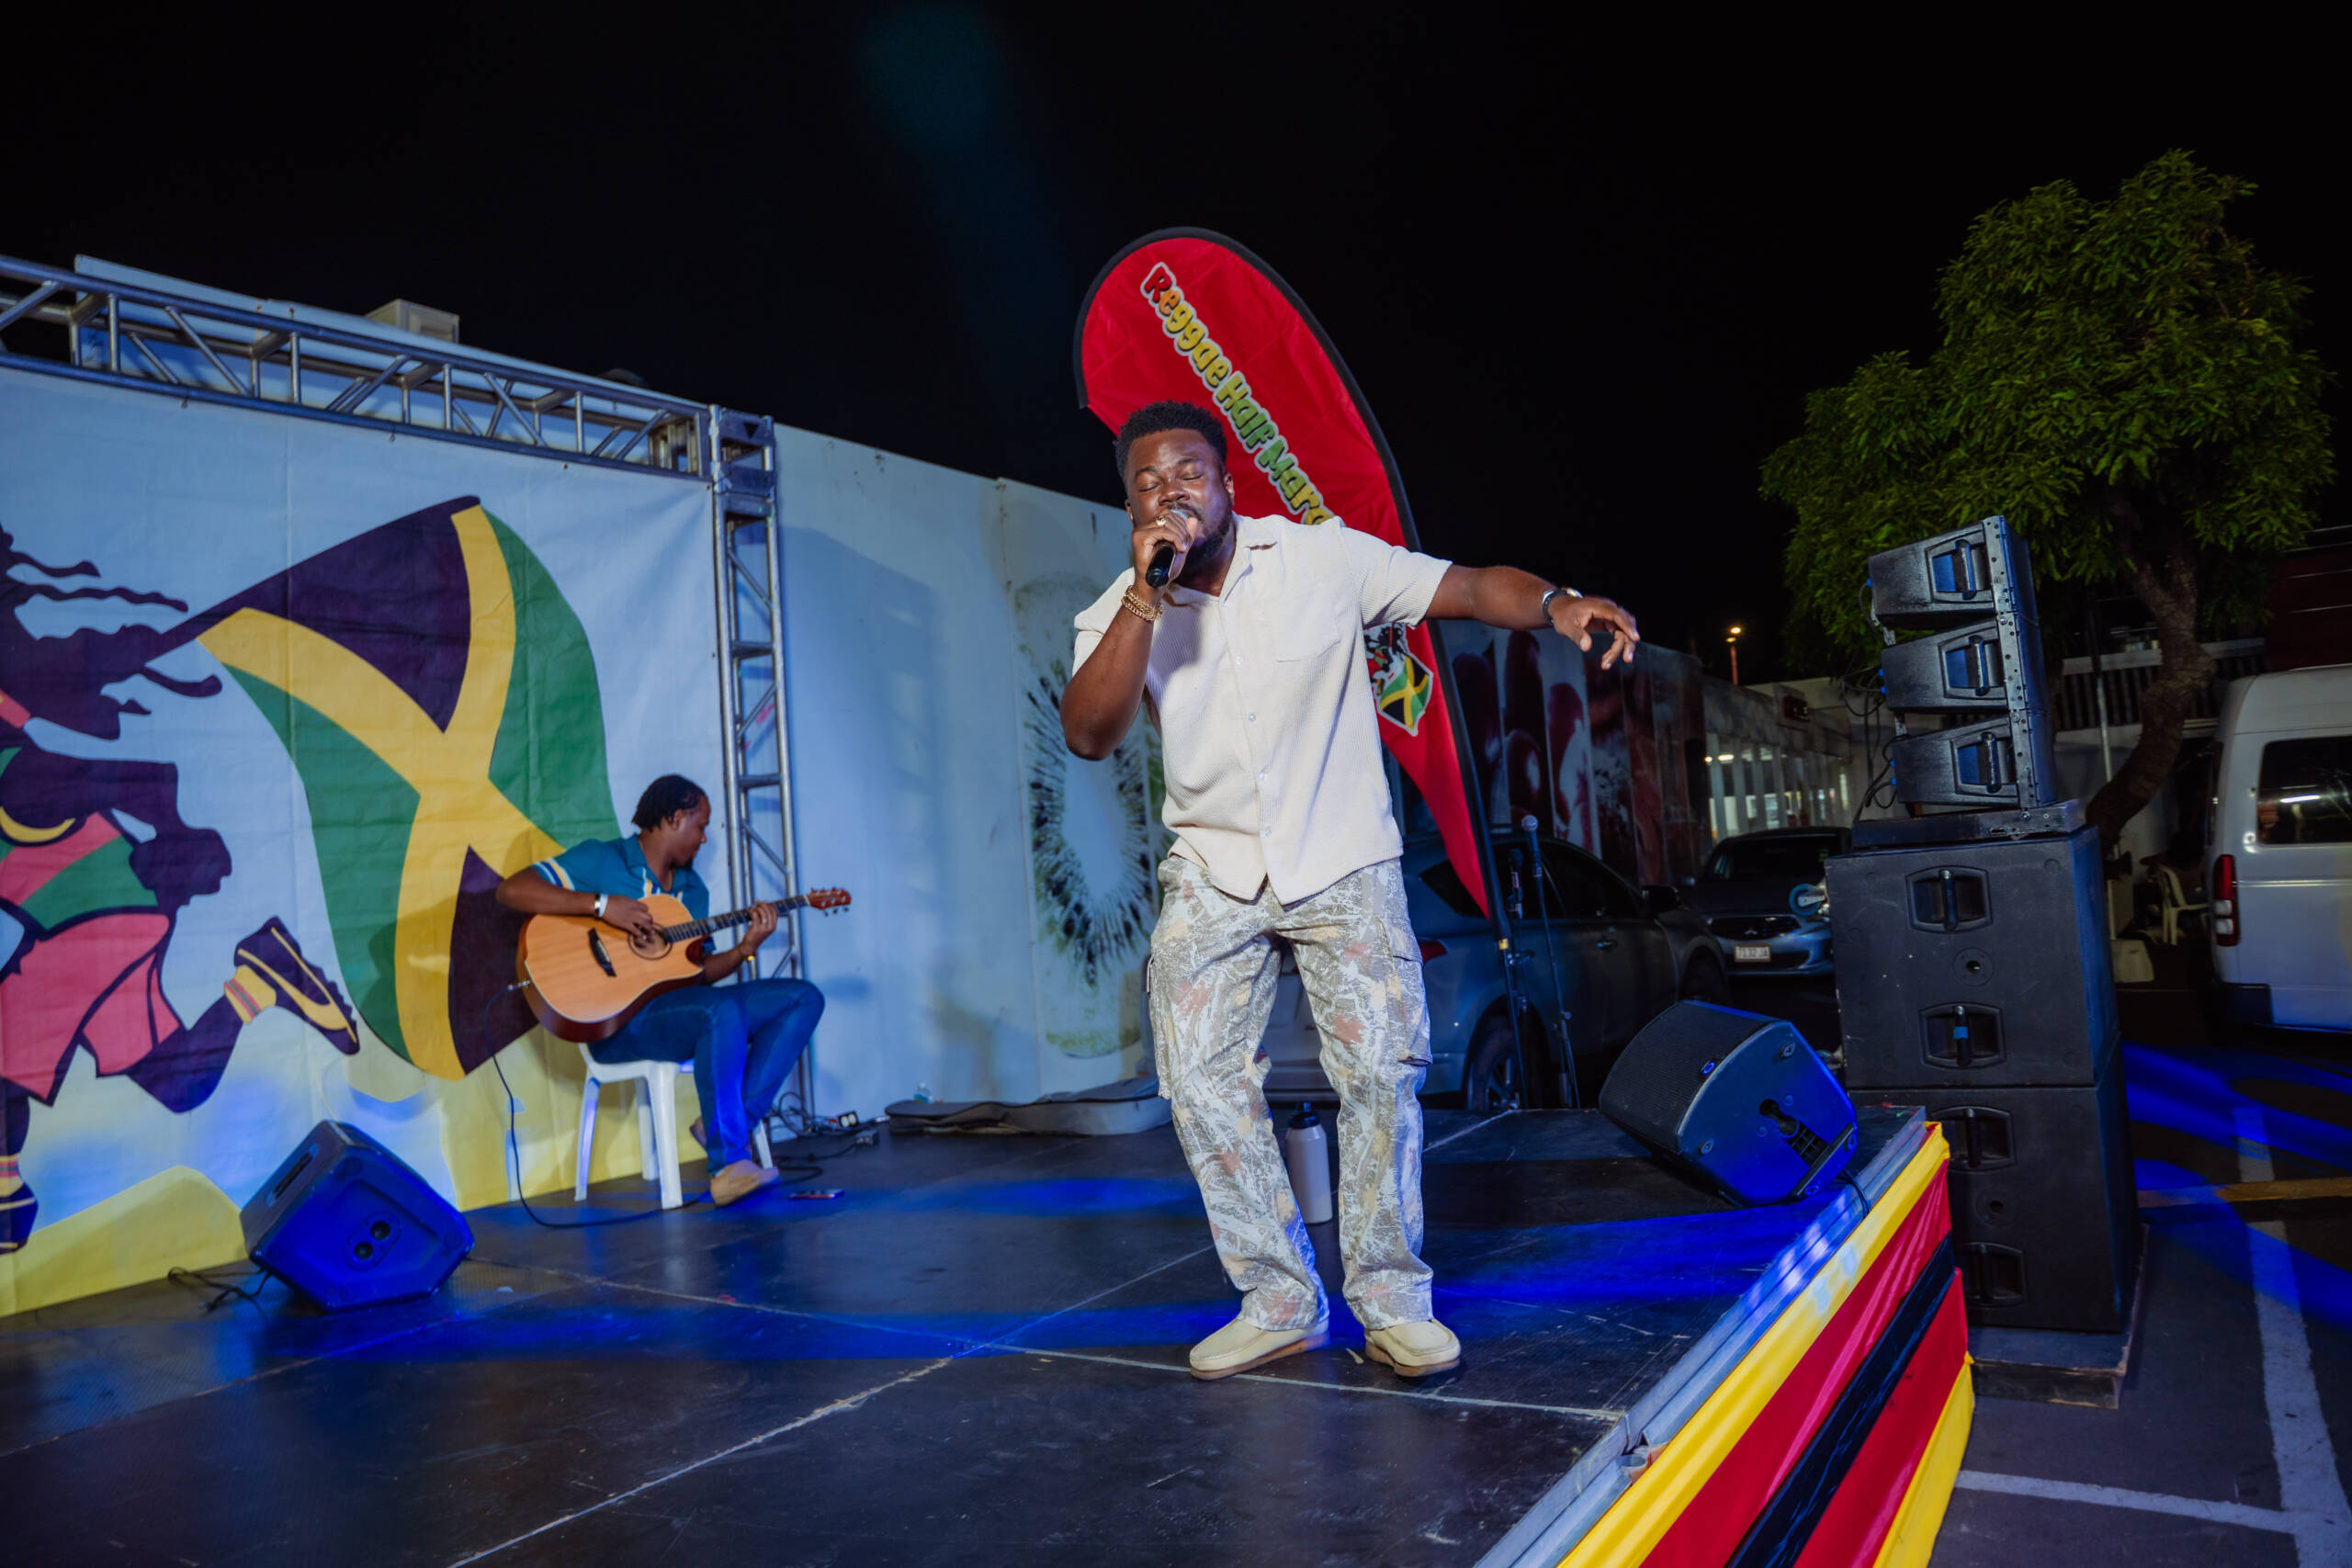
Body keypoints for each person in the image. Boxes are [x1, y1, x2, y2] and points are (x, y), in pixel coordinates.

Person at [1061, 400, 1640, 1380]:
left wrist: (1556, 603)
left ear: (1226, 482)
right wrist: (1144, 600)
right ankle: (1279, 1300)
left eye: (1189, 473)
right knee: (1197, 1081)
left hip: (1342, 854)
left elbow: (1466, 586)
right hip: (1214, 865)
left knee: (1378, 1074)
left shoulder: (1322, 559)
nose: (1172, 494)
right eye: (1148, 484)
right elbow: (1088, 731)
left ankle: (1391, 1302)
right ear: (1131, 507)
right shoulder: (1125, 606)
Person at [495, 775, 823, 1206]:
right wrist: (601, 905)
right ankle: (728, 1166)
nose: (704, 839)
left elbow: (699, 975)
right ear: (674, 818)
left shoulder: (692, 890)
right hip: (617, 1026)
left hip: (680, 1014)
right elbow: (512, 890)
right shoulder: (604, 859)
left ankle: (725, 1125)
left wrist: (745, 949)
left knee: (803, 998)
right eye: (700, 826)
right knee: (720, 1011)